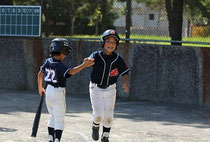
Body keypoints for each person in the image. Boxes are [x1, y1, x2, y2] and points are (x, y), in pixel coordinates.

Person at [37, 38, 94, 142]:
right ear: (62, 51)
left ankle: (51, 138)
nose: (65, 54)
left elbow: (40, 74)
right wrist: (84, 65)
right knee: (59, 118)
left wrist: (40, 87)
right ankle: (57, 139)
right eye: (65, 52)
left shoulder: (47, 62)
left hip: (48, 90)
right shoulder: (59, 65)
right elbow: (71, 72)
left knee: (52, 116)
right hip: (58, 92)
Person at [88, 29, 130, 142]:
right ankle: (95, 126)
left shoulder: (117, 59)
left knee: (109, 114)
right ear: (103, 42)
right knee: (98, 115)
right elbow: (90, 60)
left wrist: (125, 83)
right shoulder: (97, 55)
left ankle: (106, 135)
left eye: (113, 42)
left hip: (110, 89)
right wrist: (88, 61)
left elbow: (125, 73)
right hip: (95, 88)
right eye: (108, 41)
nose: (111, 44)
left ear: (116, 45)